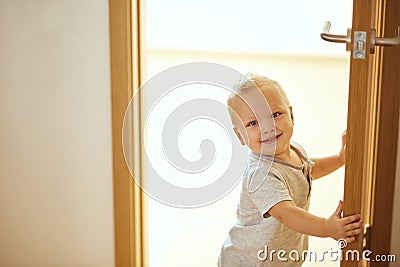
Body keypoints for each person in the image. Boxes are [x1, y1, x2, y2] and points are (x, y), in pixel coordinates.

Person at [218, 74, 363, 266]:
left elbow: (309, 169)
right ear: (240, 136)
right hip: (249, 261)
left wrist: (339, 159)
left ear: (291, 115)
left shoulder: (294, 150)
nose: (268, 127)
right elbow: (285, 213)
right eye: (253, 123)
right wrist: (326, 227)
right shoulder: (261, 174)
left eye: (275, 115)